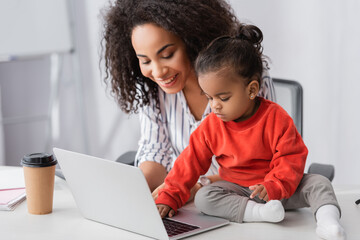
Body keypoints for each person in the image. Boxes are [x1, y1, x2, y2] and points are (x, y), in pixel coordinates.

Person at [155, 25, 346, 240]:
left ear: (252, 90)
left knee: (319, 183)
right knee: (204, 198)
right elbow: (187, 165)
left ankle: (328, 223)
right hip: (237, 192)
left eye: (223, 98)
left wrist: (274, 186)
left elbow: (291, 157)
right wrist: (168, 197)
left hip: (280, 189)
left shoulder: (276, 118)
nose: (214, 106)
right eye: (209, 97)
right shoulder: (210, 127)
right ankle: (259, 213)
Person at [101, 0, 275, 196]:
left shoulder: (244, 77)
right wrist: (135, 189)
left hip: (241, 200)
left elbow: (261, 164)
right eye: (145, 61)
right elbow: (155, 152)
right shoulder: (153, 88)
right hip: (183, 203)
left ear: (191, 41)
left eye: (167, 55)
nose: (158, 72)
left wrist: (197, 186)